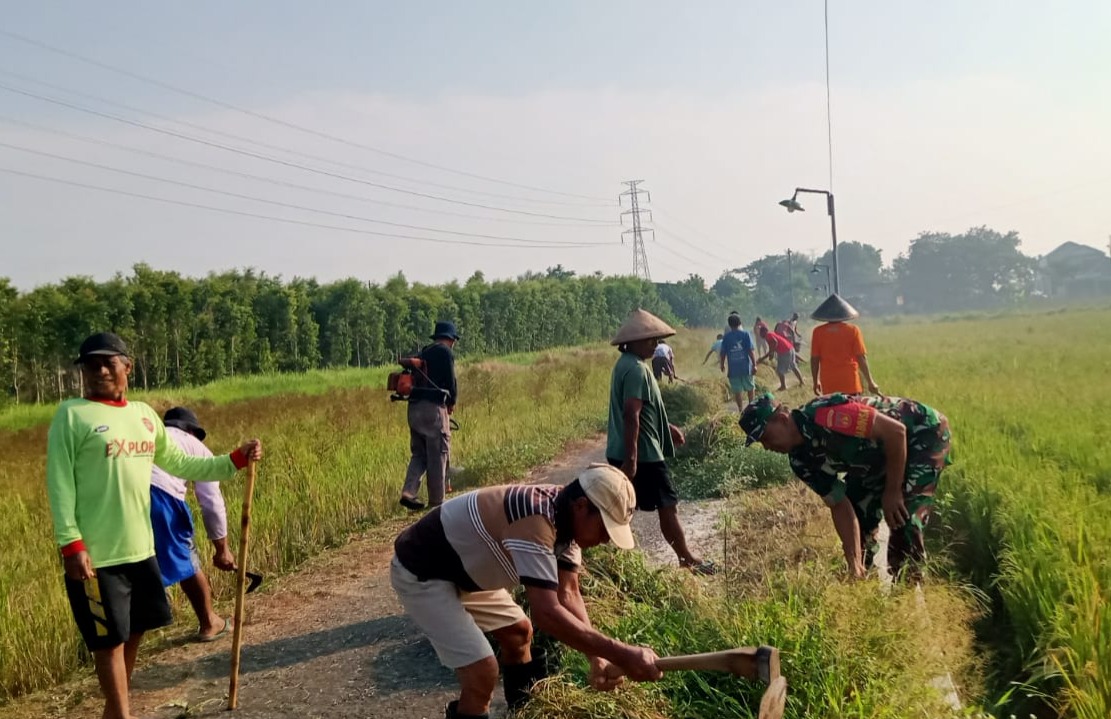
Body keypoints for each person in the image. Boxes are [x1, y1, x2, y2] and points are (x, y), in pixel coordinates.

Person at [46, 332, 262, 719]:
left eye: (108, 363)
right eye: (91, 365)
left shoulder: (144, 416)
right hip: (97, 557)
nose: (99, 371)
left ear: (127, 367)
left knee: (134, 630)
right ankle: (122, 714)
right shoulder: (72, 415)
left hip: (141, 549)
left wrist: (233, 459)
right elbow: (59, 483)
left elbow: (182, 463)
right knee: (108, 641)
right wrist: (71, 544)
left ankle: (115, 711)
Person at [390, 464, 664, 719]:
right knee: (482, 672)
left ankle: (522, 713)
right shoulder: (535, 518)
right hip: (424, 570)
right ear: (582, 506)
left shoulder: (566, 519)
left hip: (467, 571)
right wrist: (622, 654)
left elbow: (568, 594)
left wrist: (598, 658)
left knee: (519, 633)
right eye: (605, 528)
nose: (605, 540)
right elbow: (547, 614)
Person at [739, 392, 950, 581]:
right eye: (761, 443)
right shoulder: (801, 462)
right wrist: (853, 562)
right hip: (875, 459)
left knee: (903, 519)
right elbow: (839, 504)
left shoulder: (827, 416)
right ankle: (862, 579)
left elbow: (896, 432)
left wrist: (892, 491)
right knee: (859, 522)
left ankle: (908, 592)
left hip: (921, 435)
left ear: (782, 419)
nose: (766, 446)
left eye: (766, 437)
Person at [606, 309, 714, 575]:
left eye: (656, 339)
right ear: (632, 342)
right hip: (643, 455)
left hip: (626, 450)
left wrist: (667, 427)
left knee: (622, 507)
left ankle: (617, 562)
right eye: (649, 340)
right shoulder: (635, 369)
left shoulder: (627, 364)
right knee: (667, 505)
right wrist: (632, 460)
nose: (655, 344)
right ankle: (686, 559)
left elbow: (644, 410)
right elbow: (631, 414)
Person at [150, 406, 235, 642]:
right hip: (161, 499)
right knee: (186, 559)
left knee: (137, 564)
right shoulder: (195, 446)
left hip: (125, 498)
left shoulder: (150, 437)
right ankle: (209, 622)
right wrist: (222, 550)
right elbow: (211, 502)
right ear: (191, 431)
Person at [400, 321, 459, 511]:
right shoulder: (445, 352)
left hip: (413, 408)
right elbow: (451, 381)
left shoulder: (424, 352)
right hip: (433, 410)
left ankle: (409, 492)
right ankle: (437, 504)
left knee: (419, 454)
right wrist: (451, 402)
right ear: (451, 339)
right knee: (438, 454)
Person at [809, 294, 880, 396]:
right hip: (850, 382)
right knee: (852, 406)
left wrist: (815, 381)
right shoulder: (853, 330)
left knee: (834, 406)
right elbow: (861, 357)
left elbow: (814, 359)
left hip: (829, 382)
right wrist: (870, 382)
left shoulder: (818, 332)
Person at [719, 315, 757, 410]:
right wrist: (754, 365)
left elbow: (723, 353)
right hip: (746, 367)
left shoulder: (726, 337)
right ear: (740, 323)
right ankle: (751, 407)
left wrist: (722, 364)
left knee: (737, 390)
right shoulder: (745, 334)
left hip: (733, 369)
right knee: (750, 388)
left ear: (729, 325)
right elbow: (750, 351)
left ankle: (740, 409)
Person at [756, 325, 805, 391]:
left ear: (764, 331)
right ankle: (802, 382)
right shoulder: (771, 334)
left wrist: (765, 357)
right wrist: (770, 354)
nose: (760, 334)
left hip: (784, 351)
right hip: (790, 348)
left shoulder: (768, 335)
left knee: (779, 370)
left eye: (761, 332)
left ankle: (783, 386)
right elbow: (772, 347)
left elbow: (775, 342)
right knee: (793, 366)